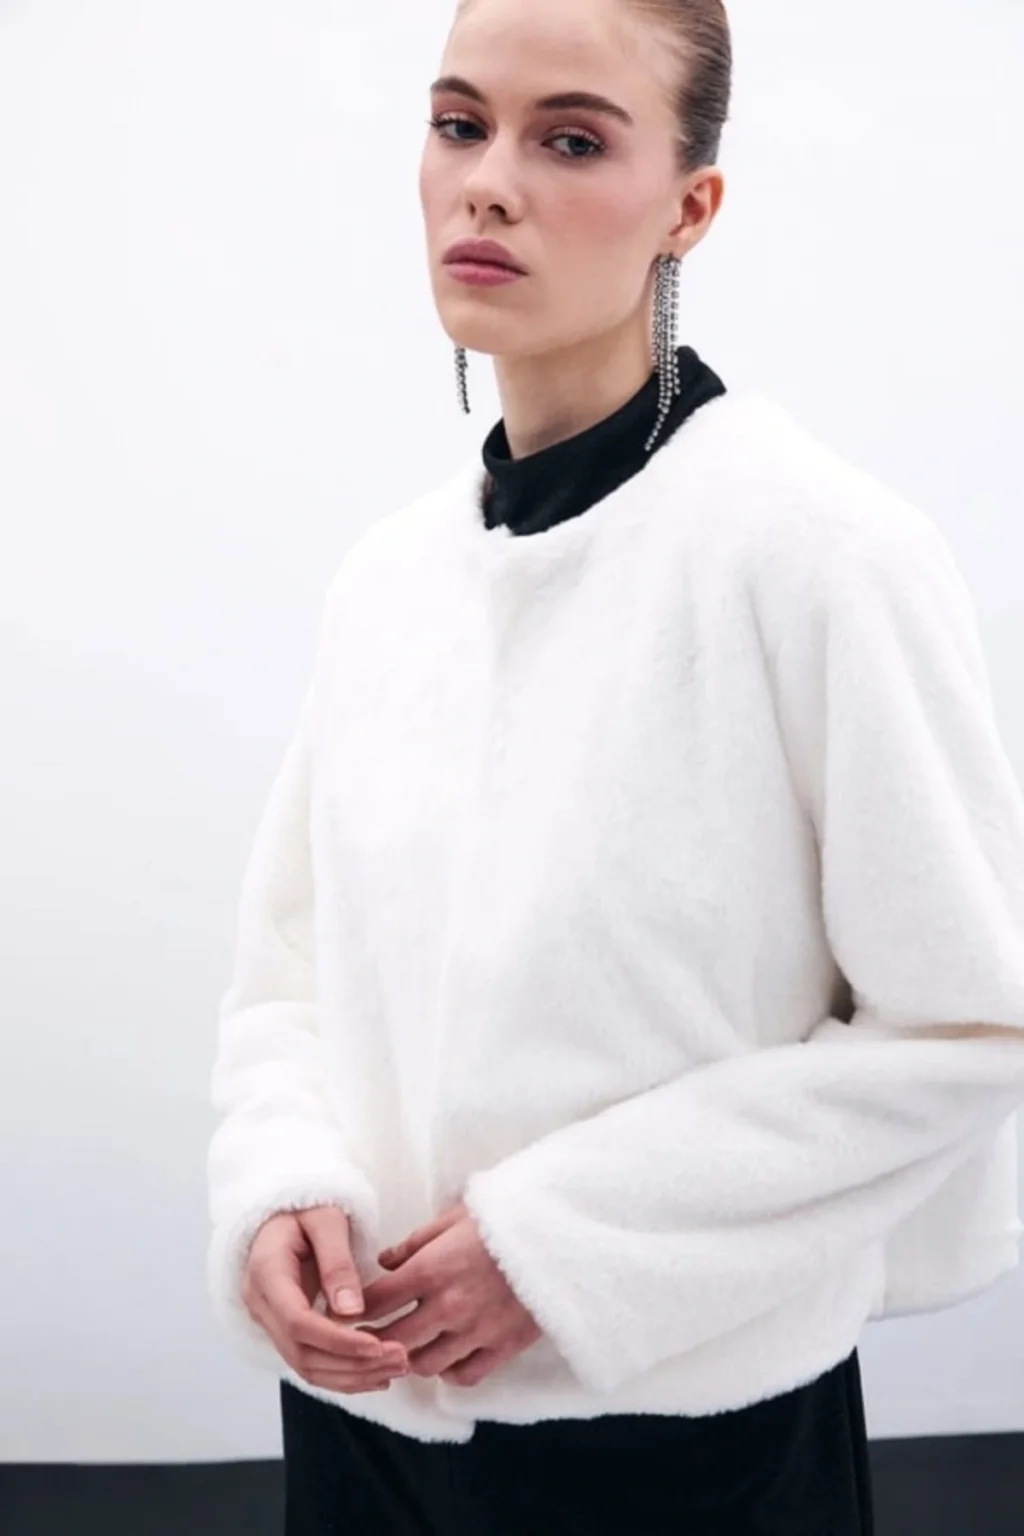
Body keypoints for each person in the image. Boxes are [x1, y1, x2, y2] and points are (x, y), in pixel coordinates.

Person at [206, 1, 1024, 1531]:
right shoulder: (391, 580)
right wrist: (286, 1179)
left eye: (570, 140)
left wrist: (561, 1247)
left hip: (678, 1436)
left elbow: (968, 1020)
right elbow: (293, 977)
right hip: (364, 1415)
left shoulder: (820, 555)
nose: (488, 183)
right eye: (460, 125)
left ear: (690, 206)